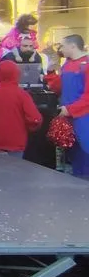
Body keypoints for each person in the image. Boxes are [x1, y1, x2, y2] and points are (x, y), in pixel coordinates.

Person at [44, 34, 89, 177]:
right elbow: (59, 88)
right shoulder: (67, 64)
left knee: (85, 151)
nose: (60, 49)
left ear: (73, 46)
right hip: (68, 116)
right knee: (73, 151)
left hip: (83, 117)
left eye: (62, 46)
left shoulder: (87, 65)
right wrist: (51, 73)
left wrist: (70, 109)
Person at [0, 61, 43, 157]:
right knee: (15, 169)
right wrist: (31, 127)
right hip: (17, 139)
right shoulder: (22, 94)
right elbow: (34, 118)